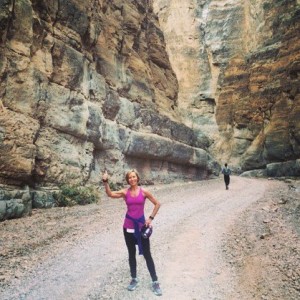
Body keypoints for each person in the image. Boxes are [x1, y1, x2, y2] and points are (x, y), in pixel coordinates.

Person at [102, 169, 162, 296]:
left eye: (134, 177)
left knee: (147, 254)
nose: (132, 179)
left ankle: (155, 281)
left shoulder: (144, 192)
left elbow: (157, 204)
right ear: (127, 180)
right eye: (130, 177)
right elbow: (110, 194)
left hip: (141, 227)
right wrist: (105, 181)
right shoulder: (125, 192)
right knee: (131, 254)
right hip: (128, 226)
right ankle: (134, 279)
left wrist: (150, 218)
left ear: (137, 178)